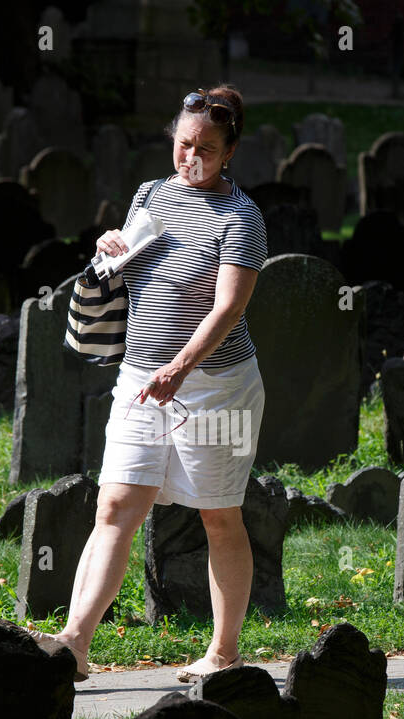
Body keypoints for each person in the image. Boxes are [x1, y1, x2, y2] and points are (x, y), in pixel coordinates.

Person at [32, 85, 268, 683]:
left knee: (219, 516)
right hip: (141, 376)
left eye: (207, 149)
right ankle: (75, 643)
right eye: (184, 145)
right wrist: (110, 246)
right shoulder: (151, 195)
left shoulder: (242, 217)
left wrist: (182, 367)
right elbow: (128, 260)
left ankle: (223, 652)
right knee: (115, 505)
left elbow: (230, 308)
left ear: (231, 151)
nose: (191, 158)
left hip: (215, 384)